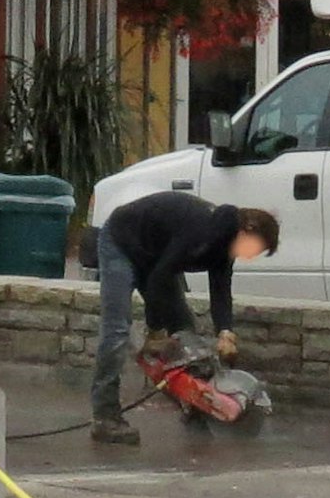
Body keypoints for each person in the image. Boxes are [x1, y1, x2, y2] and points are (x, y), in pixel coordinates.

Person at [87, 189, 279, 444]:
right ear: (247, 229)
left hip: (156, 258)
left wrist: (225, 332)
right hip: (122, 242)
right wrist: (155, 332)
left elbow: (221, 291)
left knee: (185, 335)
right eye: (256, 247)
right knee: (116, 331)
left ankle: (196, 406)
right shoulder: (202, 229)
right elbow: (158, 280)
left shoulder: (224, 247)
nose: (252, 255)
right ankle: (105, 417)